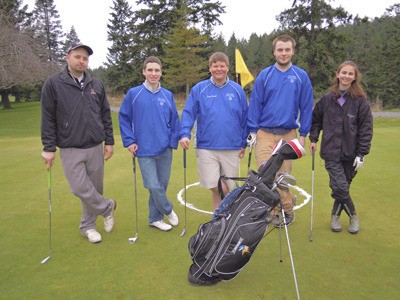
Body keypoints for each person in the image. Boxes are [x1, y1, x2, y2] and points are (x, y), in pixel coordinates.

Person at [40, 43, 116, 244]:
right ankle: (108, 208)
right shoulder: (54, 83)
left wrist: (109, 141)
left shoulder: (95, 84)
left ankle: (88, 226)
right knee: (80, 188)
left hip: (94, 145)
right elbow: (47, 117)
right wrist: (48, 148)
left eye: (85, 58)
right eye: (78, 57)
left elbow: (105, 115)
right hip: (70, 146)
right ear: (68, 57)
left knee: (94, 189)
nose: (81, 61)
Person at [247, 34, 314, 227]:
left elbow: (306, 106)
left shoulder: (300, 76)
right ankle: (276, 209)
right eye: (280, 50)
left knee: (282, 176)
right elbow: (256, 104)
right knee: (265, 173)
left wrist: (303, 135)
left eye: (287, 50)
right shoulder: (265, 75)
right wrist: (252, 131)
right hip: (265, 133)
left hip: (288, 134)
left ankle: (286, 208)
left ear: (292, 51)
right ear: (274, 51)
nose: (283, 53)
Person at [309, 61, 373, 234]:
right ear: (337, 74)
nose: (346, 76)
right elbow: (315, 120)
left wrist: (361, 154)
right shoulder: (327, 99)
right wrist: (313, 138)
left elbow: (366, 130)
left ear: (354, 77)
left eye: (350, 74)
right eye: (343, 73)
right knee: (340, 186)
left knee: (342, 186)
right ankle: (353, 216)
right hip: (330, 151)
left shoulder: (361, 102)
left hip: (351, 153)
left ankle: (335, 216)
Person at [179, 52, 249, 211]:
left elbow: (245, 118)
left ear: (227, 68)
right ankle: (230, 209)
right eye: (215, 66)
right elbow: (189, 113)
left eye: (222, 66)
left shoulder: (237, 90)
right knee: (215, 185)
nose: (219, 69)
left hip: (232, 147)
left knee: (225, 188)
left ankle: (218, 220)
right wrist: (184, 134)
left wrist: (244, 142)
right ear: (210, 68)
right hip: (206, 147)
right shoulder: (199, 89)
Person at [119, 56, 180, 232]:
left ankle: (155, 218)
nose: (153, 73)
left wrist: (172, 142)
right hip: (144, 149)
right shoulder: (134, 93)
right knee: (153, 185)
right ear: (144, 72)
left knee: (161, 185)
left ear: (161, 72)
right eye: (150, 70)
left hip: (164, 148)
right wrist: (129, 141)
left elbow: (174, 120)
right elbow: (124, 118)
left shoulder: (167, 95)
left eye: (157, 70)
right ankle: (167, 209)